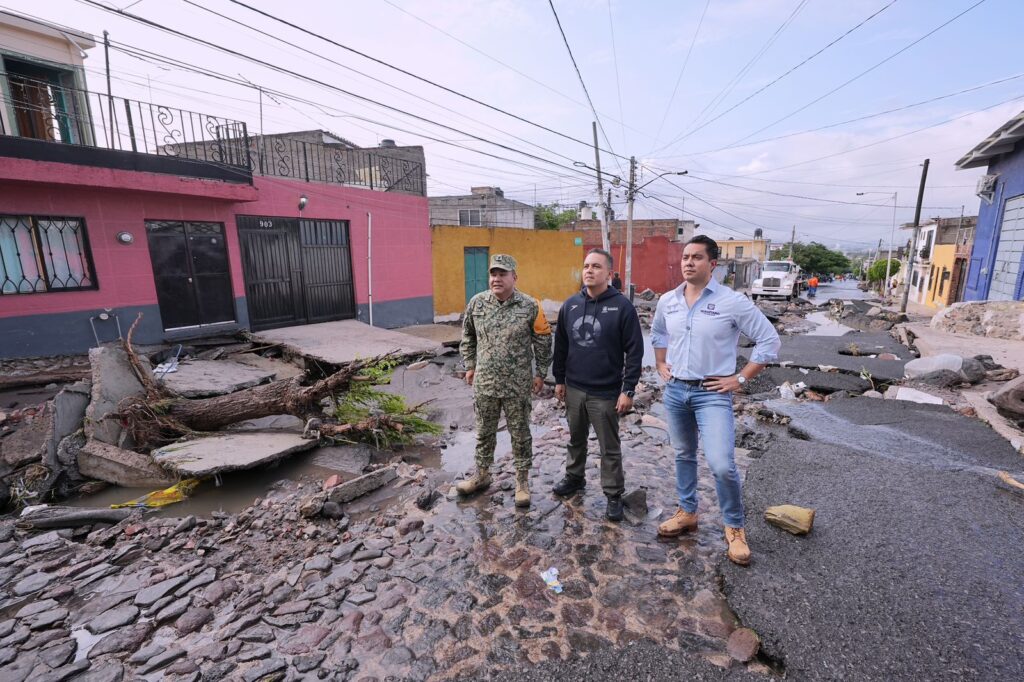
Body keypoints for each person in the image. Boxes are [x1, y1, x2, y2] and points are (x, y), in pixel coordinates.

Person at [651, 235, 780, 566]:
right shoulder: (668, 300)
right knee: (683, 454)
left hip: (712, 394)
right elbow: (659, 332)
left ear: (713, 264)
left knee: (722, 464)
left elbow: (768, 339)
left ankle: (734, 527)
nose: (688, 262)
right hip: (677, 390)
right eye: (685, 257)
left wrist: (739, 379)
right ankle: (687, 511)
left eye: (696, 257)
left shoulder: (732, 302)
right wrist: (660, 362)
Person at [552, 249, 644, 521]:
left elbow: (635, 351)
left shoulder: (622, 307)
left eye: (596, 266)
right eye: (586, 266)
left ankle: (613, 495)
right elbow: (562, 346)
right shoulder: (570, 305)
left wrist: (628, 389)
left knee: (609, 448)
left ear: (609, 274)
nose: (589, 271)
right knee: (575, 440)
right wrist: (559, 380)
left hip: (605, 392)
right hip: (575, 389)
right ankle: (574, 478)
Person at [458, 254, 553, 508]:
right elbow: (467, 336)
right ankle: (482, 474)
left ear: (514, 277)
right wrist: (469, 365)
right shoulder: (477, 304)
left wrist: (540, 373)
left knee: (520, 434)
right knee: (484, 432)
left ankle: (522, 480)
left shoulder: (530, 305)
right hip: (485, 383)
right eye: (493, 274)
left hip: (517, 385)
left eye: (502, 274)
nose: (496, 279)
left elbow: (543, 341)